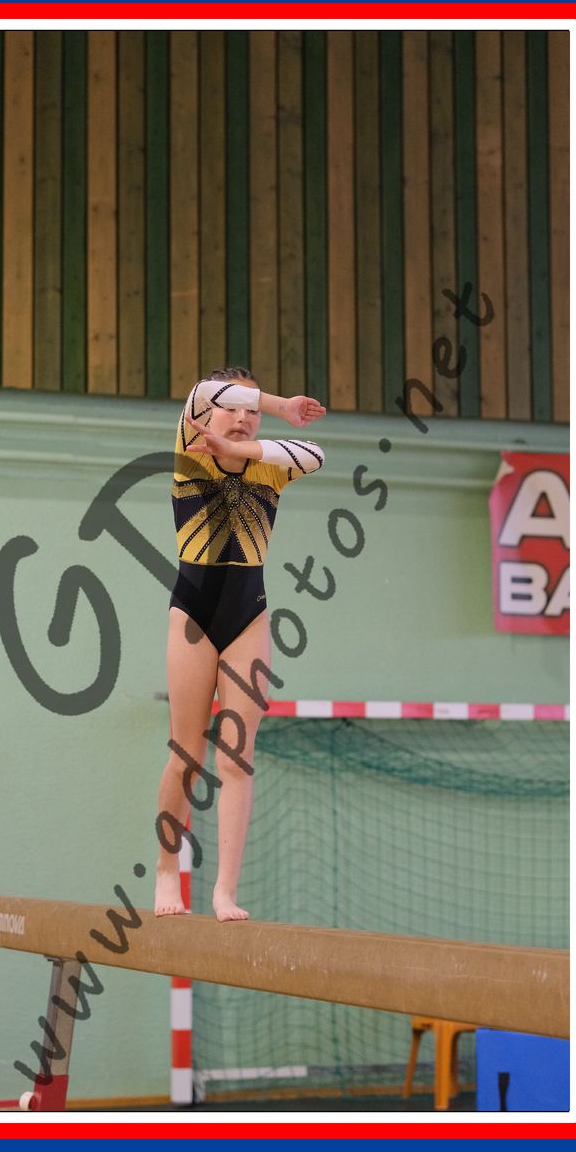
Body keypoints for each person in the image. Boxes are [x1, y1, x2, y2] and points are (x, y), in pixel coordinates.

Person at [155, 367, 326, 921]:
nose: (242, 416)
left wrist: (245, 445)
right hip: (193, 615)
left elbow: (315, 454)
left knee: (237, 758)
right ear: (209, 414)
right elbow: (202, 393)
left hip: (248, 616)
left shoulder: (270, 469)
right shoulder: (192, 452)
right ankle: (166, 871)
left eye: (251, 411)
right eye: (233, 407)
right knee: (187, 752)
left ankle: (224, 890)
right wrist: (276, 404)